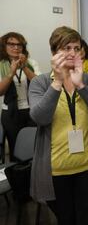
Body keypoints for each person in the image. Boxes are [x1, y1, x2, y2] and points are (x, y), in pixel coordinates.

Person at [28, 26, 88, 225]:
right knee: (66, 220)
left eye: (77, 48)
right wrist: (57, 83)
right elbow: (39, 117)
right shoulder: (40, 83)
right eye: (66, 48)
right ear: (54, 52)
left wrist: (81, 85)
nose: (73, 53)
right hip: (56, 171)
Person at [0, 32, 40, 161]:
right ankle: (17, 177)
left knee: (34, 147)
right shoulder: (1, 65)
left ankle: (33, 176)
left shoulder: (31, 63)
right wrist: (11, 72)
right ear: (4, 46)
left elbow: (40, 85)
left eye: (19, 45)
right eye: (11, 44)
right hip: (10, 113)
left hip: (31, 110)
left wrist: (25, 68)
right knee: (16, 150)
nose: (16, 47)